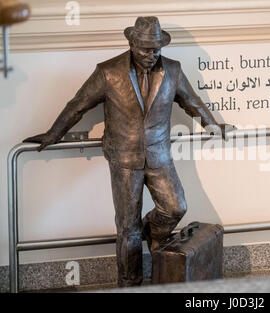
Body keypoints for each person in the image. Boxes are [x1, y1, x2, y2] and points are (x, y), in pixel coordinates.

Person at [24, 16, 233, 287]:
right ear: (132, 43)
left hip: (159, 155)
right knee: (126, 227)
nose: (152, 54)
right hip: (123, 158)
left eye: (156, 48)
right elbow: (78, 105)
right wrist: (54, 133)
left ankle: (149, 232)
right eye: (146, 48)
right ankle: (129, 283)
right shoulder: (107, 72)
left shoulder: (173, 70)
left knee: (175, 207)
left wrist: (212, 124)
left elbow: (191, 101)